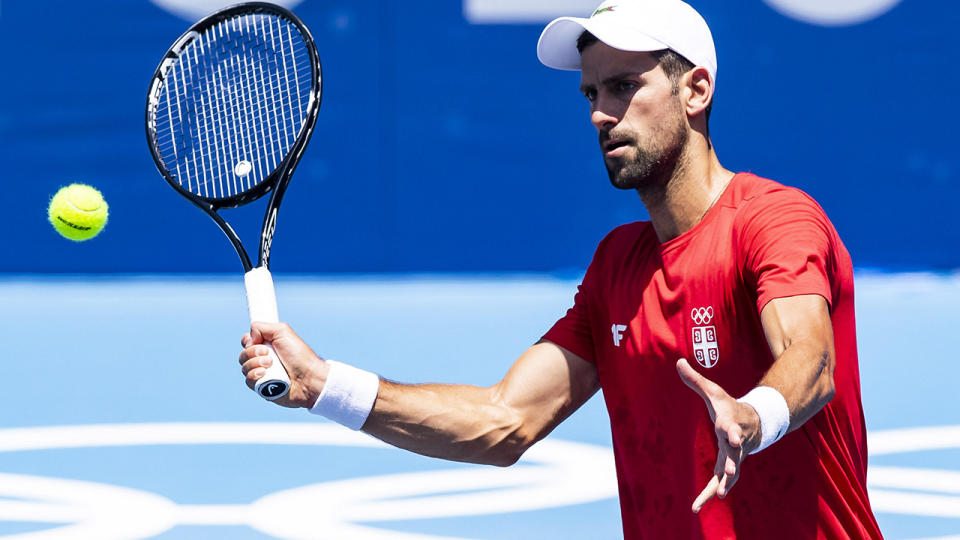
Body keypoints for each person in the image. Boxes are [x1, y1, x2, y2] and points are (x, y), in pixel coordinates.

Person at [238, 0, 884, 537]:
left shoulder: (774, 220)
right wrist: (325, 386)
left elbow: (811, 358)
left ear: (696, 90)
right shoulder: (616, 268)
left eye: (626, 87)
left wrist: (755, 415)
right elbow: (503, 422)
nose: (602, 114)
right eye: (592, 92)